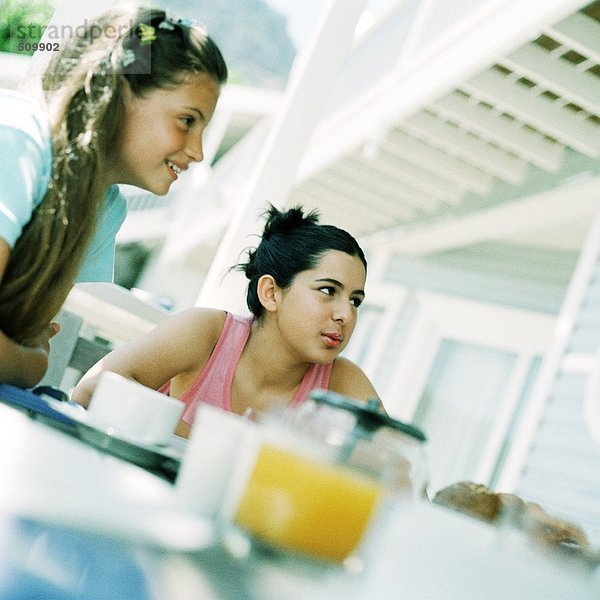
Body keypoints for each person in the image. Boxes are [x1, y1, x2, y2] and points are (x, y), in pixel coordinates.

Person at [0, 5, 227, 388]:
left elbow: (30, 336)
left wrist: (25, 356)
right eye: (187, 121)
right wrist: (29, 364)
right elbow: (31, 356)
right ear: (119, 90)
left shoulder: (103, 208)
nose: (198, 152)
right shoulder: (19, 140)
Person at [73, 205, 381, 438]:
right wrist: (221, 453)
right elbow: (91, 388)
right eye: (328, 290)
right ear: (271, 292)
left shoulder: (342, 381)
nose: (346, 315)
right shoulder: (207, 333)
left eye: (355, 301)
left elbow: (400, 476)